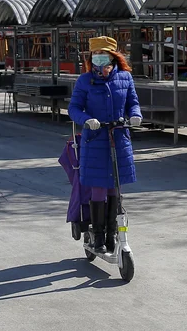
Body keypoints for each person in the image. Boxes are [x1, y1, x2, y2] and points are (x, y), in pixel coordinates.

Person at [67, 36, 142, 254]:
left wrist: (135, 115)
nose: (100, 59)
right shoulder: (84, 81)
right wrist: (86, 120)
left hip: (119, 138)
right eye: (96, 55)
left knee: (115, 188)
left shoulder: (125, 78)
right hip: (95, 139)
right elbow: (74, 108)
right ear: (91, 57)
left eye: (104, 54)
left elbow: (132, 102)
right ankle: (98, 236)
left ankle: (112, 234)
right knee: (98, 187)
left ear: (113, 56)